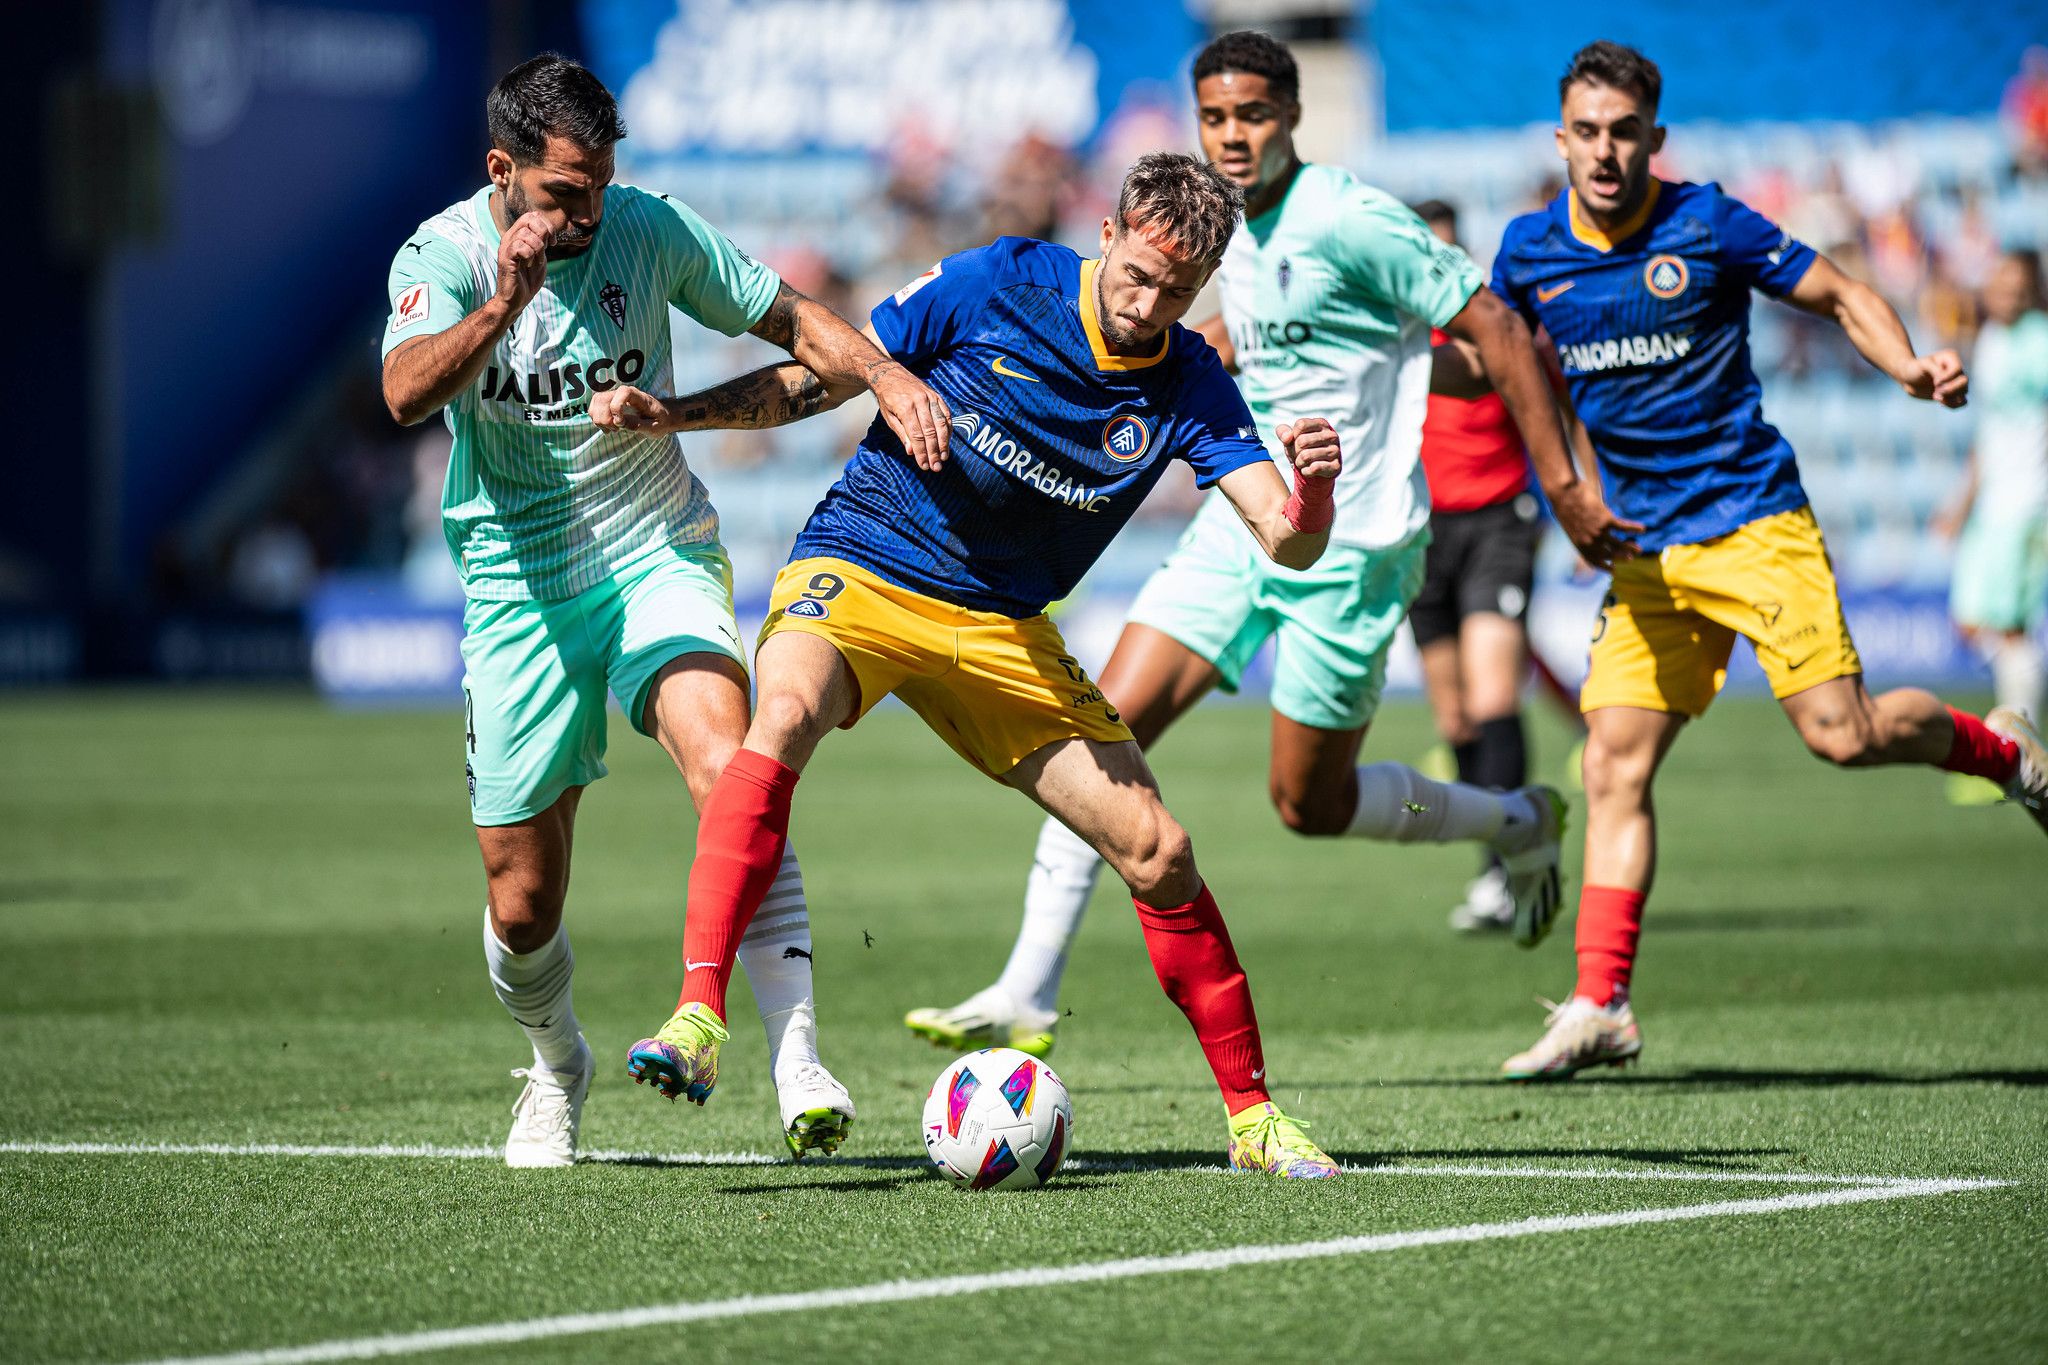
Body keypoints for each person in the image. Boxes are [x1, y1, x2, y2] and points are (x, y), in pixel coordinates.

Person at [596, 153, 1348, 1178]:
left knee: (1159, 850)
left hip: (1001, 629)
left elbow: (1283, 537)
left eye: (1177, 292)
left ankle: (1253, 1117)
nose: (1148, 304)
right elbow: (830, 373)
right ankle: (696, 1012)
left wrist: (1312, 497)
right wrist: (679, 415)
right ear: (1109, 232)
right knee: (775, 725)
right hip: (864, 565)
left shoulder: (1190, 384)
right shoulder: (999, 279)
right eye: (1137, 275)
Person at [901, 31, 1584, 1061]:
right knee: (1101, 730)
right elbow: (1260, 348)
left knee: (1309, 804)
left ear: (1292, 116)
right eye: (1215, 116)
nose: (1232, 135)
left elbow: (1490, 324)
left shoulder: (1350, 218)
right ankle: (1025, 989)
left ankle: (1513, 819)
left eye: (1252, 114)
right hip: (1241, 522)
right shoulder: (1227, 233)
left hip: (1349, 547)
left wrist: (1565, 485)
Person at [379, 54, 948, 1165]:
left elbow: (793, 320)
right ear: (502, 173)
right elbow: (403, 393)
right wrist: (507, 300)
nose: (589, 210)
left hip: (656, 550)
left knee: (729, 762)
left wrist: (883, 376)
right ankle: (555, 1067)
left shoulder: (648, 228)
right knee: (521, 895)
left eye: (600, 183)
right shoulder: (441, 258)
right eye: (562, 192)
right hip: (518, 586)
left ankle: (797, 1058)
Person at [1471, 41, 2047, 1080]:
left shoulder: (1707, 223)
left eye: (1623, 133)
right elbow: (1498, 364)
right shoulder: (1523, 253)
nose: (1604, 153)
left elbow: (1835, 292)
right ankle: (1601, 1001)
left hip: (1750, 523)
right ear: (1561, 139)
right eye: (1586, 133)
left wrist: (1909, 365)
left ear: (1653, 138)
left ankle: (2000, 750)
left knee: (1844, 736)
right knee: (1610, 762)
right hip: (1644, 556)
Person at [1409, 198, 1549, 933]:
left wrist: (1570, 496)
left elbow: (1552, 405)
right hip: (1421, 531)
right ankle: (1497, 856)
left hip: (1499, 519)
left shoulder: (1494, 322)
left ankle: (1511, 863)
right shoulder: (1389, 330)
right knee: (1455, 713)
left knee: (1495, 696)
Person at [1934, 248, 2048, 803]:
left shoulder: (2040, 343)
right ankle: (2017, 743)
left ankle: (2017, 756)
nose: (2004, 290)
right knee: (1974, 620)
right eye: (1998, 279)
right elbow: (1990, 436)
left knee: (2010, 625)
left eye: (2015, 282)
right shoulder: (1992, 344)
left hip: (2031, 504)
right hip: (1993, 505)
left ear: (2032, 289)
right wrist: (1962, 502)